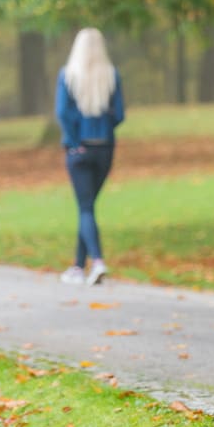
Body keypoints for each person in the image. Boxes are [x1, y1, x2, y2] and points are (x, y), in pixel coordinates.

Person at [55, 27, 125, 287]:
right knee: (88, 208)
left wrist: (74, 141)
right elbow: (119, 114)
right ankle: (77, 266)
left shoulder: (68, 76)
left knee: (86, 208)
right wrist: (103, 128)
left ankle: (96, 261)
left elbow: (62, 112)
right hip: (104, 148)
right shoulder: (111, 76)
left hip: (79, 149)